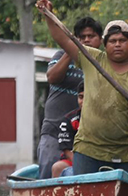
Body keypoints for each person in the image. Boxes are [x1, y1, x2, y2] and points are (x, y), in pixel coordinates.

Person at [36, 0, 128, 179]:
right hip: (88, 147)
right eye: (113, 40)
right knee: (81, 189)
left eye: (122, 40)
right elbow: (61, 38)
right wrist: (48, 15)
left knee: (125, 191)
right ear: (105, 44)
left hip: (125, 149)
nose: (117, 44)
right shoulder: (91, 58)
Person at [36, 17, 102, 179]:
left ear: (100, 40)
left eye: (91, 36)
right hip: (54, 129)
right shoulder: (61, 55)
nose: (86, 40)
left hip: (87, 136)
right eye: (81, 37)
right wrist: (70, 50)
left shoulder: (103, 65)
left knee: (84, 178)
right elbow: (52, 77)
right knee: (48, 174)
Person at [51, 84, 83, 178]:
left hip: (98, 159)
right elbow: (67, 150)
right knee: (57, 167)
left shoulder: (103, 119)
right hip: (75, 161)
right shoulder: (69, 120)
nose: (83, 101)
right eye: (81, 97)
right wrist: (82, 166)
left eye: (87, 97)